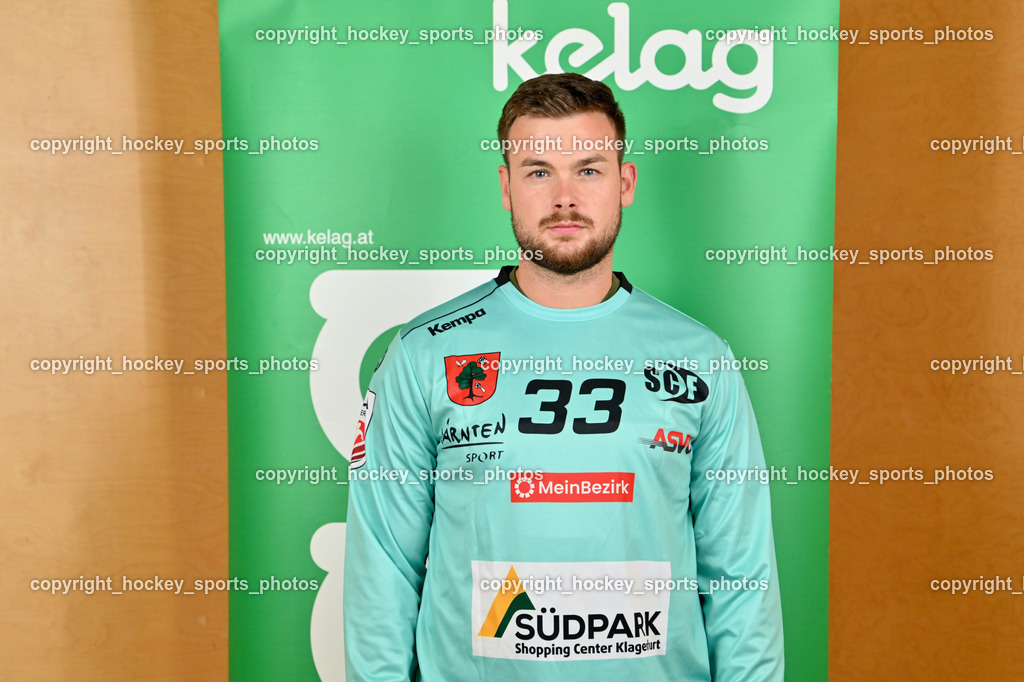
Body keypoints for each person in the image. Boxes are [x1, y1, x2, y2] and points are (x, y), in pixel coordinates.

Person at [344, 72, 783, 681]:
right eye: (538, 170)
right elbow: (382, 564)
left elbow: (741, 573)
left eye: (589, 169)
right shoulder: (423, 354)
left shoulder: (700, 357)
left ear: (625, 183)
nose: (564, 197)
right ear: (506, 187)